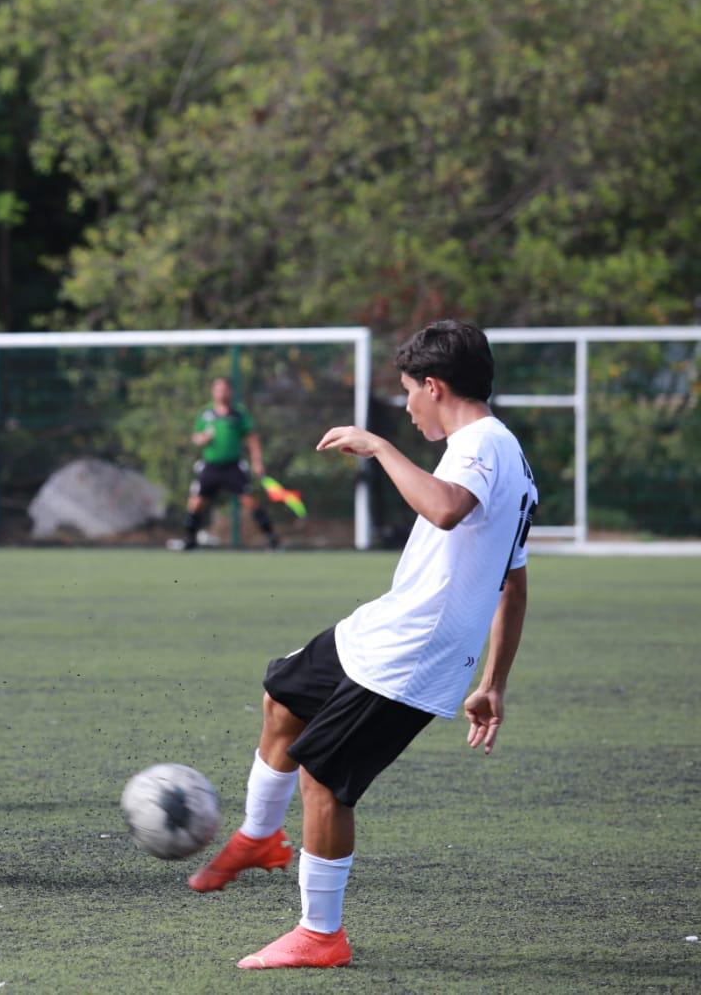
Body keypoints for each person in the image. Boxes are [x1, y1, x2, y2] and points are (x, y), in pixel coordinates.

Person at [188, 321, 537, 969]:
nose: (406, 407)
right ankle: (260, 837)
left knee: (323, 776)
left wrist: (377, 446)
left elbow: (445, 509)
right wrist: (494, 682)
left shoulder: (481, 445)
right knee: (283, 697)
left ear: (435, 386)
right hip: (389, 626)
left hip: (415, 652)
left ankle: (321, 934)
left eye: (408, 392)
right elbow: (512, 584)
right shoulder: (502, 451)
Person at [182, 376, 279, 550]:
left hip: (233, 466)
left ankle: (273, 540)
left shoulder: (238, 413)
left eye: (224, 389)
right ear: (213, 392)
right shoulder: (206, 413)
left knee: (250, 502)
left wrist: (257, 461)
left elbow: (251, 438)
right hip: (210, 466)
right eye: (218, 389)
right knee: (195, 503)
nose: (221, 393)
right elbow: (196, 438)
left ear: (230, 392)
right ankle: (189, 541)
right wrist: (203, 438)